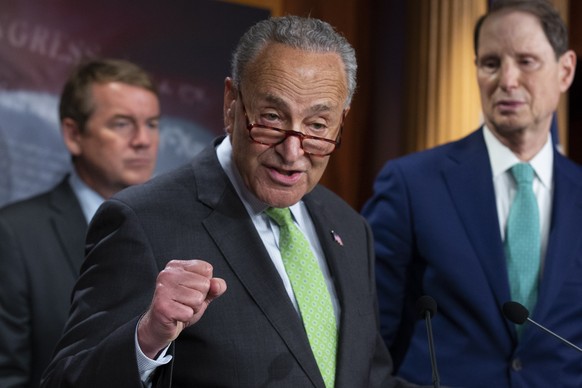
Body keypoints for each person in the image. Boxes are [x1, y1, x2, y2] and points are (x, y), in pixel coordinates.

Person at [40, 16, 418, 388]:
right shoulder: (142, 221)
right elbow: (65, 381)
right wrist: (148, 337)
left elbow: (369, 378)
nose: (292, 151)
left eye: (318, 125)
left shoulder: (350, 228)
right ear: (231, 103)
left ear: (341, 121)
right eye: (271, 118)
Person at [362, 0, 581, 386]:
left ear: (565, 71)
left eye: (526, 61)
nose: (507, 80)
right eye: (491, 63)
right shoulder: (411, 184)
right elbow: (371, 340)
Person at [0, 58, 160, 388]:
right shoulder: (14, 234)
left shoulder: (172, 226)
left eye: (153, 124)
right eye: (122, 124)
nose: (143, 140)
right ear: (74, 135)